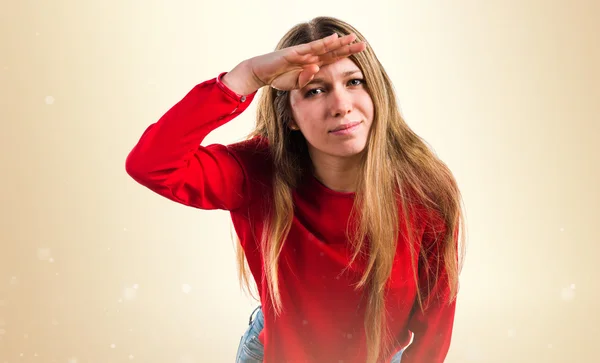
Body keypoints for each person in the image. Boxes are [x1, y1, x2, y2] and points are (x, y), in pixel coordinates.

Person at [125, 16, 465, 363]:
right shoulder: (256, 172)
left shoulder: (423, 189)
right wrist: (245, 78)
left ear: (377, 92)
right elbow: (151, 165)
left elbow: (433, 324)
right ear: (289, 116)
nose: (341, 105)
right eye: (315, 90)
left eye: (354, 81)